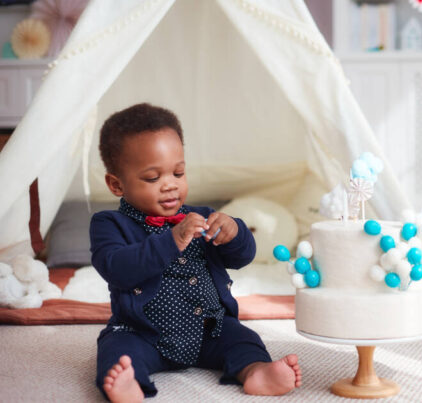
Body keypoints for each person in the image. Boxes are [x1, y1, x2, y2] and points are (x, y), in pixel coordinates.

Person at [90, 103, 302, 401]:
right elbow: (116, 267)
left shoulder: (203, 216)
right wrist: (170, 240)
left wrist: (234, 232)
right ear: (116, 184)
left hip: (208, 330)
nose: (170, 185)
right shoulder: (109, 224)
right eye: (153, 178)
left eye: (178, 172)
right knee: (116, 351)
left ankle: (256, 371)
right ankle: (130, 384)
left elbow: (241, 259)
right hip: (141, 333)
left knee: (243, 337)